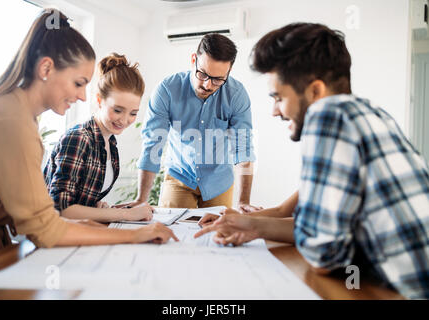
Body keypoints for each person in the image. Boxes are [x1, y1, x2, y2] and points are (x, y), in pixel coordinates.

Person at [195, 23, 429, 299]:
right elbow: (316, 229)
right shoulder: (369, 114)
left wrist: (255, 225)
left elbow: (323, 255)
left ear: (316, 92)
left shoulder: (328, 115)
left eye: (279, 97)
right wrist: (251, 224)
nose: (274, 111)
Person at [0, 9, 178, 257]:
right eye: (78, 83)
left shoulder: (12, 111)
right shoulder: (11, 120)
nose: (82, 96)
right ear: (46, 68)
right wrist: (134, 233)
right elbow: (47, 226)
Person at [125, 33, 258, 212]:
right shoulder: (167, 90)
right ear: (194, 59)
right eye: (203, 74)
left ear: (228, 72)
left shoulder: (236, 94)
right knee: (172, 231)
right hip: (179, 175)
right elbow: (153, 144)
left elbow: (244, 149)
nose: (208, 85)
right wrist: (141, 199)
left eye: (218, 79)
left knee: (216, 233)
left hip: (219, 181)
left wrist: (243, 202)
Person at [44, 52, 154, 223]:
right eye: (117, 110)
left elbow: (81, 200)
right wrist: (125, 215)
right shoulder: (79, 139)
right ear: (99, 100)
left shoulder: (110, 143)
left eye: (133, 113)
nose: (124, 120)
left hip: (79, 231)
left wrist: (97, 207)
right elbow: (61, 209)